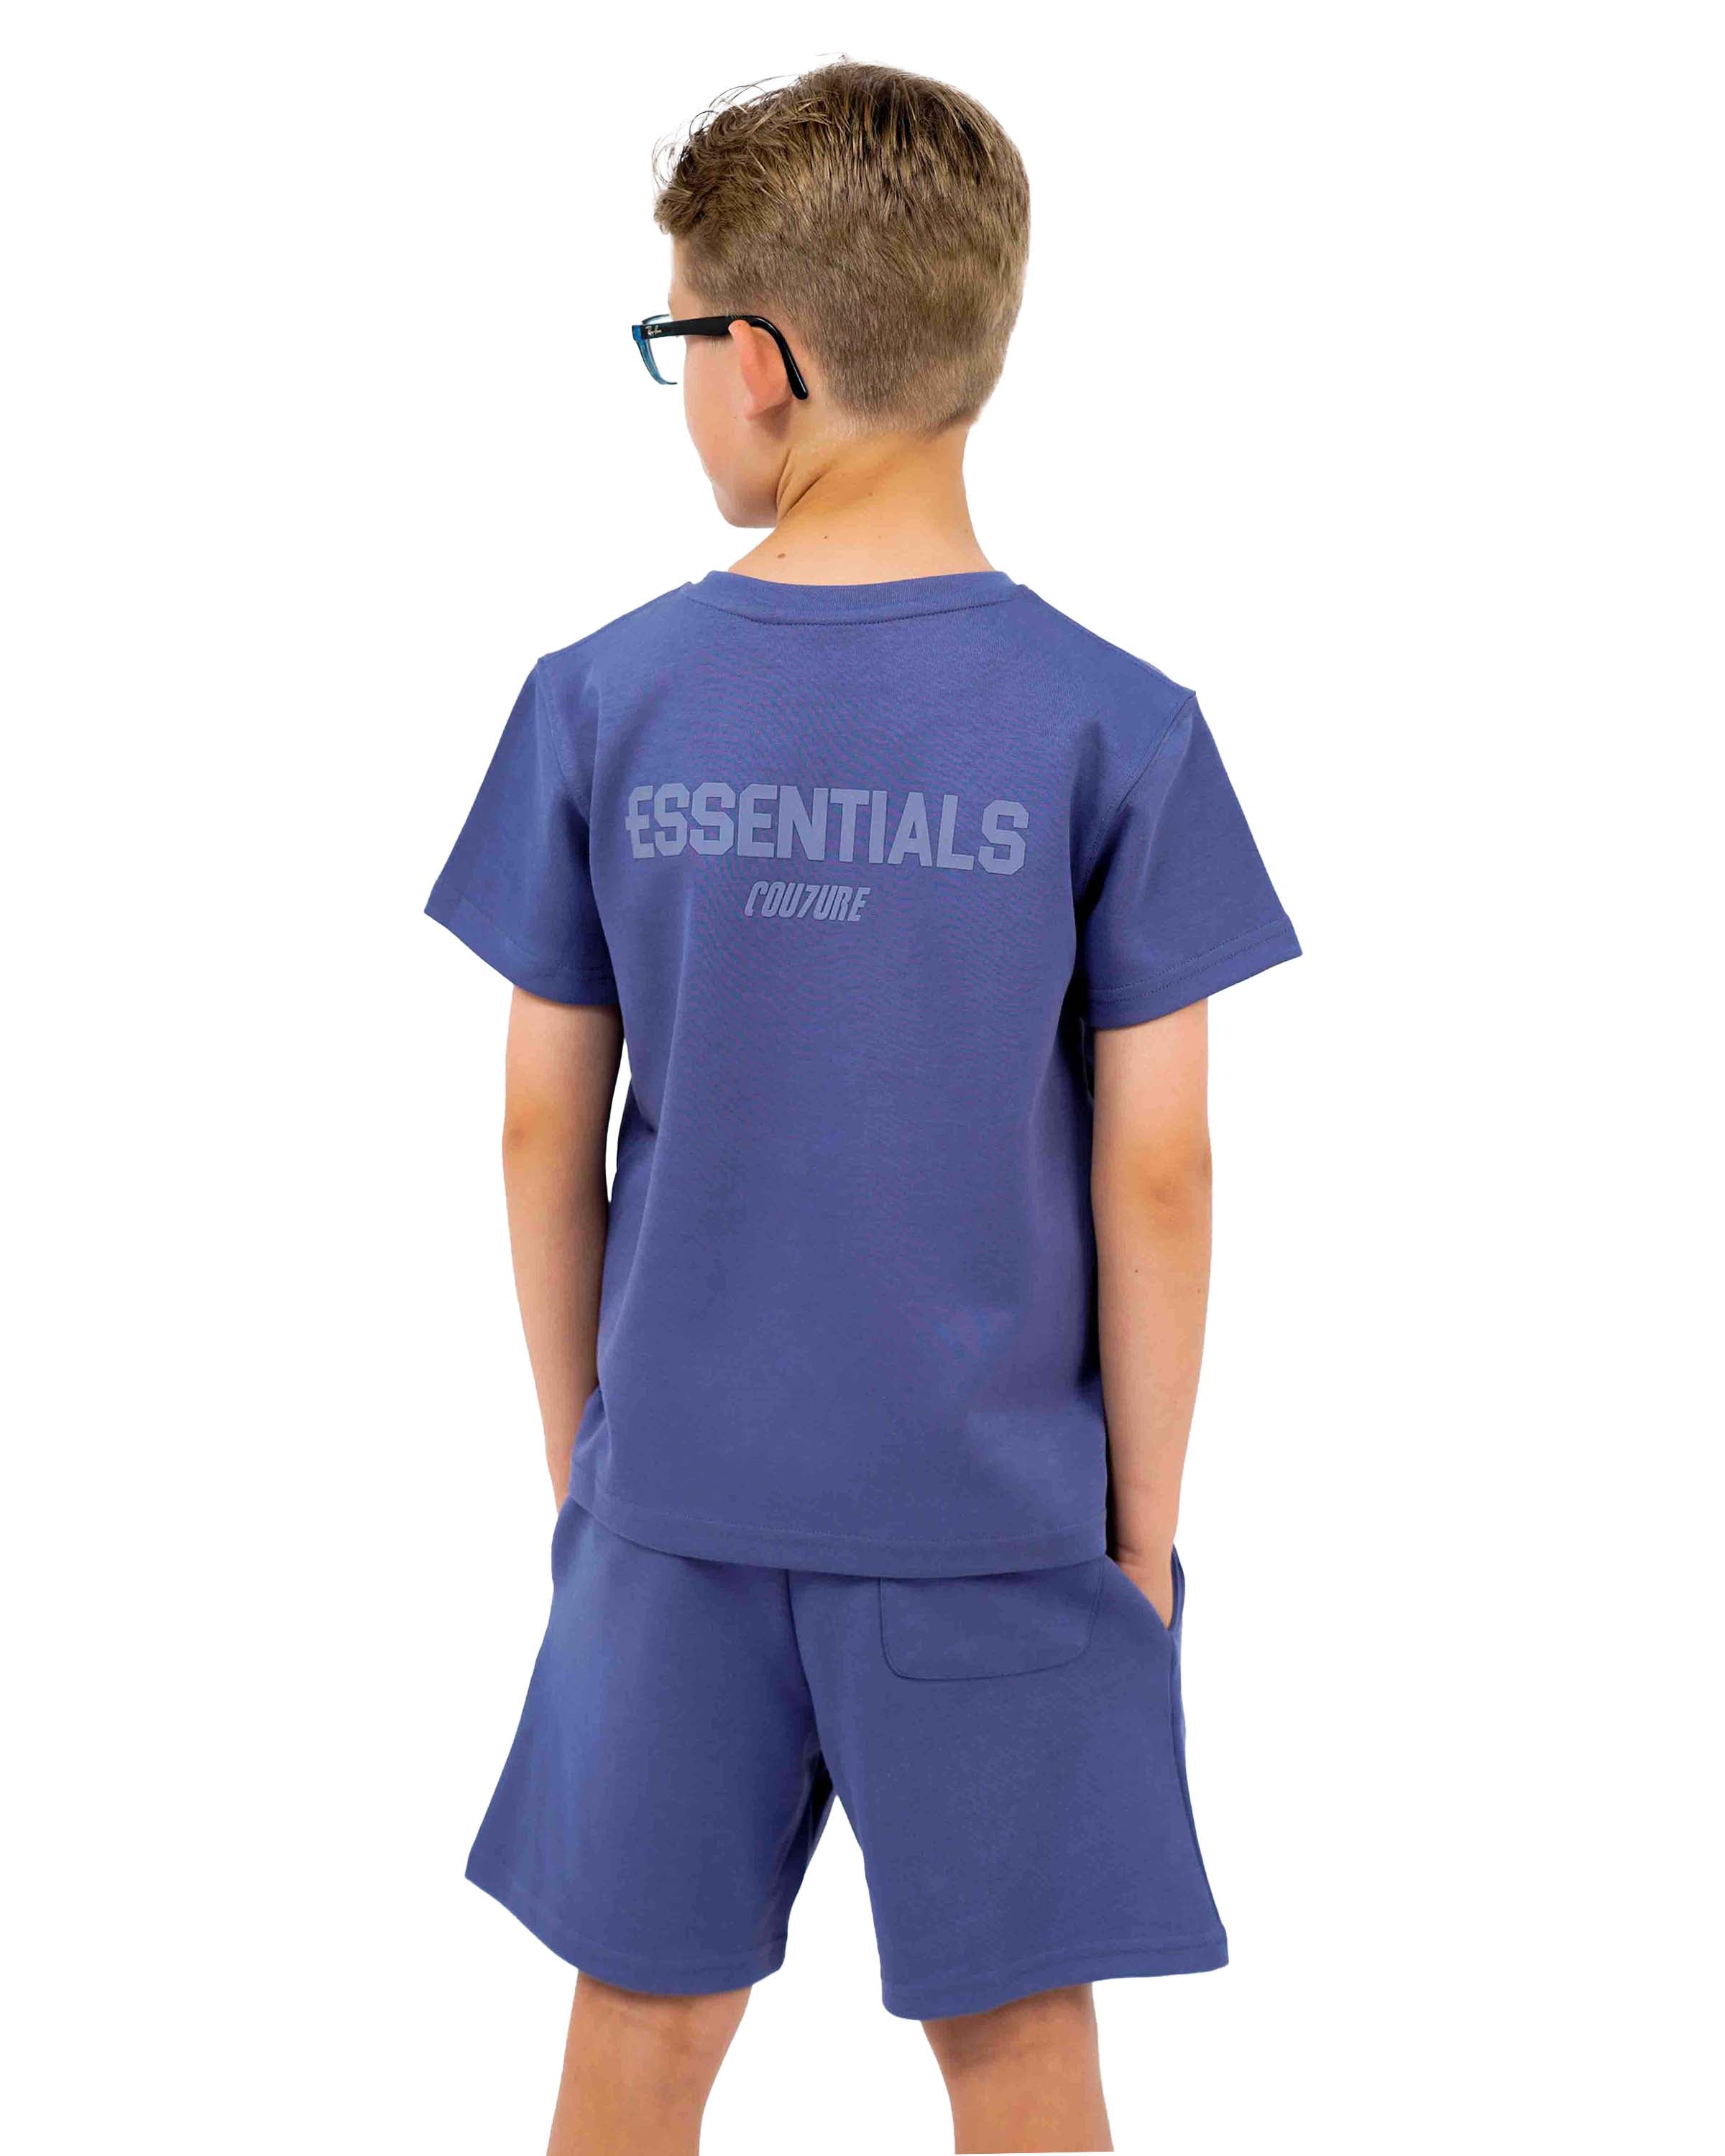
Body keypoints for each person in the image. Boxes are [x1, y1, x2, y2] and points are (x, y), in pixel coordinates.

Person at [427, 59, 1300, 2156]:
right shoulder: (1120, 728)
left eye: (677, 349)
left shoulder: (601, 700)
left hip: (677, 1500)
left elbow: (541, 1126)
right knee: (1022, 2056)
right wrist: (1142, 1538)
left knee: (637, 2039)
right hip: (997, 1522)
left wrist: (592, 1465)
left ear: (764, 362)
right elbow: (1161, 1171)